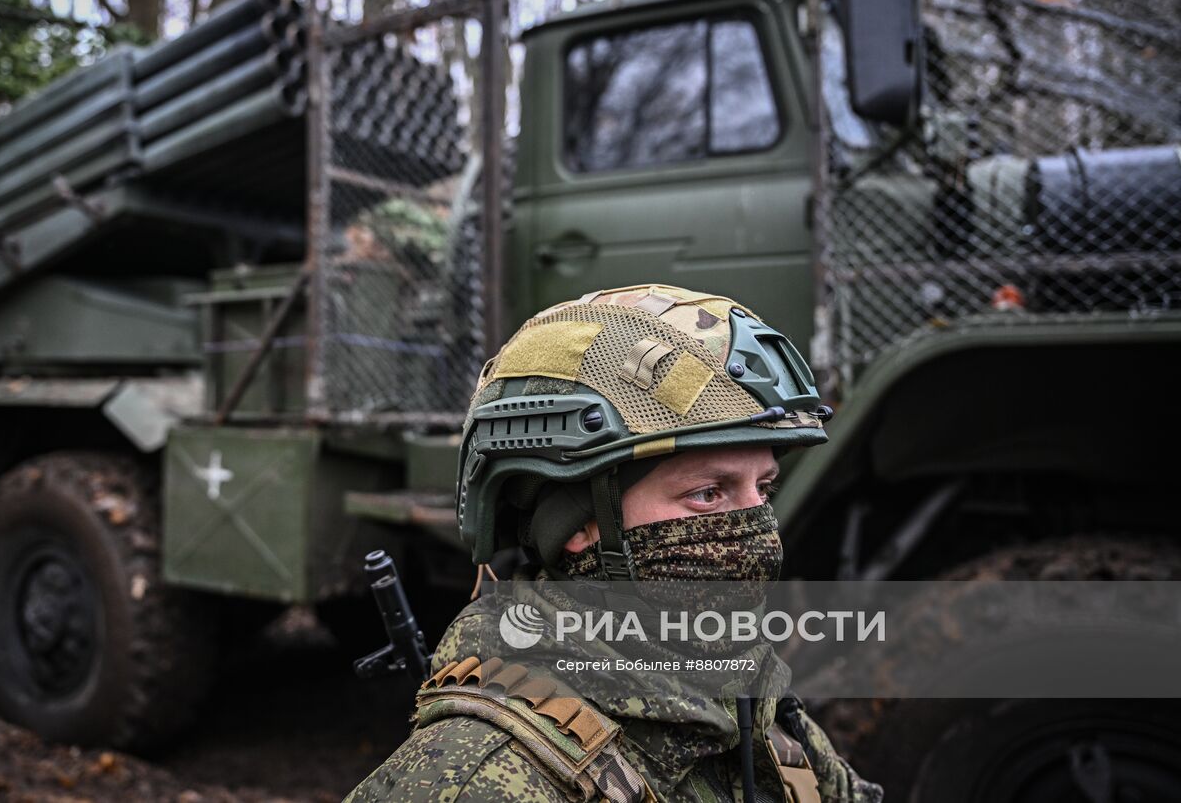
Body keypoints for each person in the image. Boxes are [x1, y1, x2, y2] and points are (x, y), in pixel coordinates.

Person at [347, 284, 882, 802]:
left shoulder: (755, 708)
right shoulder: (478, 780)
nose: (758, 529)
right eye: (707, 493)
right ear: (576, 526)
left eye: (763, 488)